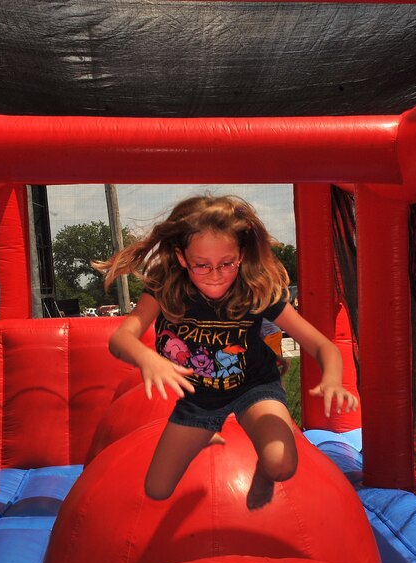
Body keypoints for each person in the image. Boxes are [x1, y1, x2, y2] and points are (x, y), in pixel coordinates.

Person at [96, 195, 358, 510]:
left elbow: (321, 345)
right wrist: (147, 357)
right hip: (199, 397)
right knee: (157, 489)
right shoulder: (166, 287)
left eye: (227, 263)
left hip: (254, 386)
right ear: (181, 258)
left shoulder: (254, 290)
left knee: (281, 463)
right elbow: (121, 338)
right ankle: (206, 432)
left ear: (241, 255)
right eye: (201, 265)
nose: (216, 274)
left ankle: (264, 472)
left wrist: (332, 379)